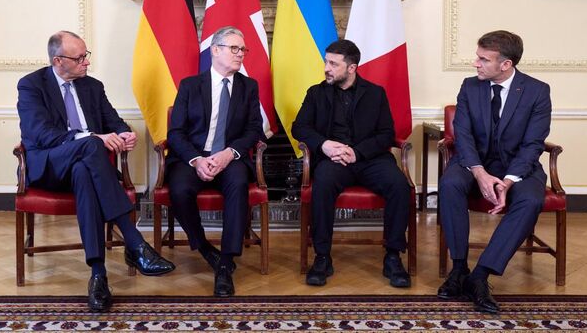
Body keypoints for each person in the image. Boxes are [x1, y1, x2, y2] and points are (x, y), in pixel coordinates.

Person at [17, 30, 175, 312]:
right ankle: (135, 243)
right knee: (90, 144)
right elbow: (41, 134)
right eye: (79, 58)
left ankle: (98, 275)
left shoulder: (92, 86)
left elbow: (114, 121)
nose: (86, 62)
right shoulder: (31, 85)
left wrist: (125, 134)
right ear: (58, 61)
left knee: (83, 171)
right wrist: (92, 137)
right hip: (50, 166)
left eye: (86, 55)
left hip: (85, 169)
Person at [437, 30, 551, 314]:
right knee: (450, 184)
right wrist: (479, 173)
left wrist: (509, 181)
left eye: (484, 59)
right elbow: (462, 135)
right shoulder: (469, 86)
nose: (475, 63)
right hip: (473, 162)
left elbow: (533, 144)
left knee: (531, 199)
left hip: (517, 167)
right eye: (477, 57)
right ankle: (459, 269)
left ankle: (480, 275)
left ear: (506, 64)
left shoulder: (537, 91)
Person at [292, 39, 411, 288]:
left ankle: (393, 256)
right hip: (333, 160)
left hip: (370, 159)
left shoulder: (375, 93)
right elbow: (299, 127)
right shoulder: (316, 93)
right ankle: (322, 257)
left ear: (352, 67)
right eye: (326, 62)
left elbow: (386, 134)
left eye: (333, 64)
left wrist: (357, 153)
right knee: (323, 183)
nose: (326, 68)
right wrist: (324, 145)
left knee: (399, 184)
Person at [166, 26, 264, 297]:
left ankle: (225, 262)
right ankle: (204, 247)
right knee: (179, 189)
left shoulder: (248, 86)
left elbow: (254, 130)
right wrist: (197, 160)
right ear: (215, 50)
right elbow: (175, 133)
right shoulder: (190, 85)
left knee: (238, 184)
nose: (240, 54)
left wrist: (228, 153)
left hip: (230, 157)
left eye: (243, 49)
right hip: (193, 157)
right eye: (234, 48)